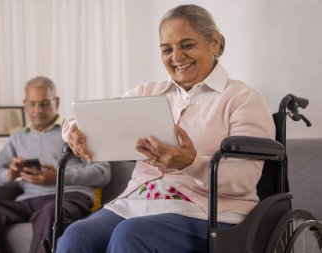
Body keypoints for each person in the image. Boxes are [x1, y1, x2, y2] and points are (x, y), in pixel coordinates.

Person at [58, 4, 275, 253]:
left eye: (187, 45)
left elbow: (245, 178)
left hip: (208, 211)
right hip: (136, 204)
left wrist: (191, 163)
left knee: (131, 236)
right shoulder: (146, 94)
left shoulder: (242, 99)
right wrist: (72, 128)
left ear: (214, 42)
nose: (177, 57)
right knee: (76, 237)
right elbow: (89, 117)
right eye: (166, 49)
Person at [0, 76, 111, 253]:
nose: (37, 110)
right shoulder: (18, 138)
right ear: (25, 104)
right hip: (29, 201)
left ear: (56, 102)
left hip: (68, 198)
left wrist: (57, 177)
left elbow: (103, 173)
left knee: (50, 210)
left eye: (44, 104)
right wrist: (10, 175)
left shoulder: (75, 132)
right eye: (32, 104)